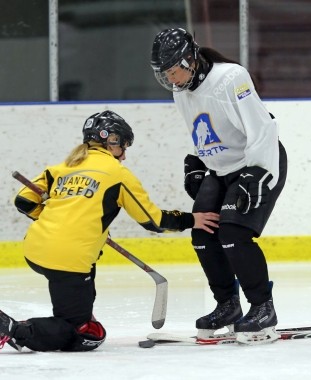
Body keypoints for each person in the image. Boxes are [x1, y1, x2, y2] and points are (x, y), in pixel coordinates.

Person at [0, 110, 219, 352]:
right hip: (67, 259)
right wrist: (192, 219)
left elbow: (24, 201)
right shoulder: (117, 174)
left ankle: (74, 312)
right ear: (110, 141)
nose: (124, 155)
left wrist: (72, 220)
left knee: (83, 285)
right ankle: (13, 329)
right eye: (123, 147)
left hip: (35, 249)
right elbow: (153, 221)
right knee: (85, 335)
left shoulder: (61, 167)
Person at [150, 28, 287, 344]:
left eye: (175, 70)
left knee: (234, 234)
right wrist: (196, 163)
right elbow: (204, 133)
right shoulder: (180, 91)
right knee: (203, 233)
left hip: (259, 162)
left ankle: (263, 308)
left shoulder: (231, 77)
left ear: (190, 58)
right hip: (220, 168)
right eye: (166, 74)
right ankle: (227, 305)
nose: (172, 78)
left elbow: (263, 128)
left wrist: (256, 174)